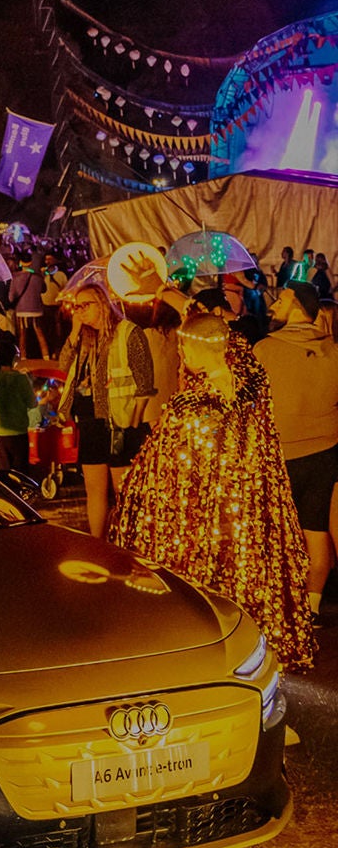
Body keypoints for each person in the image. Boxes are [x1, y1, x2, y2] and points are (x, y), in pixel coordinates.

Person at [111, 314, 314, 672]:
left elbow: (167, 472)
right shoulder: (253, 385)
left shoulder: (188, 407)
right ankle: (252, 646)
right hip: (248, 510)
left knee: (207, 584)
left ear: (200, 347)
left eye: (185, 345)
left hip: (205, 515)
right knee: (245, 578)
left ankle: (206, 649)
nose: (182, 353)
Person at [255, 281, 338, 624]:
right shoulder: (332, 351)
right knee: (315, 530)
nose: (273, 306)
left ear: (299, 309)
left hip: (281, 456)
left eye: (282, 300)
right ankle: (312, 606)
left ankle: (281, 604)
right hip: (325, 453)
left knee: (277, 534)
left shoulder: (265, 350)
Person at [58, 287, 153, 540]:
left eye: (84, 305)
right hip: (89, 420)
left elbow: (145, 383)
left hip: (120, 422)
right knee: (94, 489)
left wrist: (135, 420)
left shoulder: (128, 333)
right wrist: (74, 332)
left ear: (101, 304)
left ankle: (128, 541)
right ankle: (97, 542)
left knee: (123, 490)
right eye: (75, 307)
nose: (79, 312)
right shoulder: (84, 338)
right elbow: (62, 367)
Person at [0, 332, 38, 473]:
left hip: (0, 432)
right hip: (19, 432)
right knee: (21, 472)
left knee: (5, 471)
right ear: (14, 359)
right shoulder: (21, 379)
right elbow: (33, 403)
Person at [9, 249, 49, 359]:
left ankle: (23, 357)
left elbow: (11, 297)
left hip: (21, 310)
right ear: (31, 263)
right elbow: (44, 290)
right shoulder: (37, 277)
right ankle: (46, 355)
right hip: (36, 309)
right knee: (39, 332)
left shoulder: (15, 278)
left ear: (20, 262)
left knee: (22, 334)